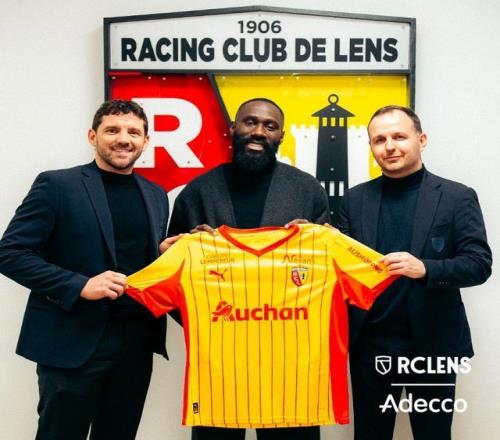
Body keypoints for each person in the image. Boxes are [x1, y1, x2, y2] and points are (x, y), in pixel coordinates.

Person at [0, 100, 174, 440]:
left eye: (133, 132)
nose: (123, 139)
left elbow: (133, 256)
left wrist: (163, 254)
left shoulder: (156, 195)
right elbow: (10, 252)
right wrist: (78, 285)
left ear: (146, 141)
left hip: (136, 341)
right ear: (93, 136)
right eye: (112, 130)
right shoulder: (57, 185)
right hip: (73, 339)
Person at [167, 97, 330, 440]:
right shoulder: (198, 192)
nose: (259, 131)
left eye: (270, 126)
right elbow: (171, 276)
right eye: (250, 122)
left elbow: (327, 277)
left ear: (281, 135)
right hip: (220, 359)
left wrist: (318, 241)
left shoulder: (307, 190)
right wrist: (206, 321)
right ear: (233, 127)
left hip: (289, 358)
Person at [336, 105, 492, 440]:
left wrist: (425, 269)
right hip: (370, 347)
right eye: (379, 139)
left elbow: (479, 264)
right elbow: (340, 269)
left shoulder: (457, 197)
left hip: (433, 345)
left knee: (433, 435)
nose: (389, 146)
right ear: (371, 146)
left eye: (399, 136)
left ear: (421, 140)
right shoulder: (354, 200)